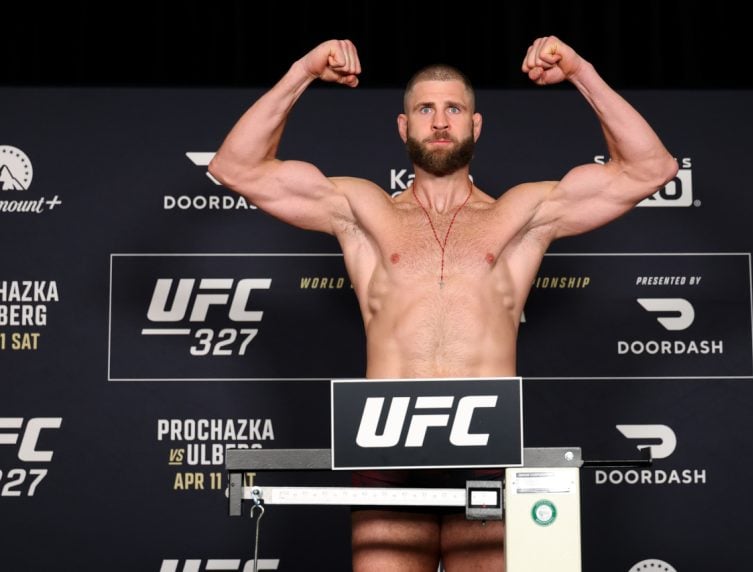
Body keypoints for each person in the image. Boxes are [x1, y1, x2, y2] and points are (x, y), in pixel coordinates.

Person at [209, 35, 678, 572]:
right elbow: (236, 166)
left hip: (486, 451)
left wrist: (581, 71)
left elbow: (650, 169)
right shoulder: (361, 210)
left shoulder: (520, 215)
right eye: (424, 109)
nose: (438, 122)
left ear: (475, 126)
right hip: (386, 451)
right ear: (402, 126)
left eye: (453, 109)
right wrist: (302, 70)